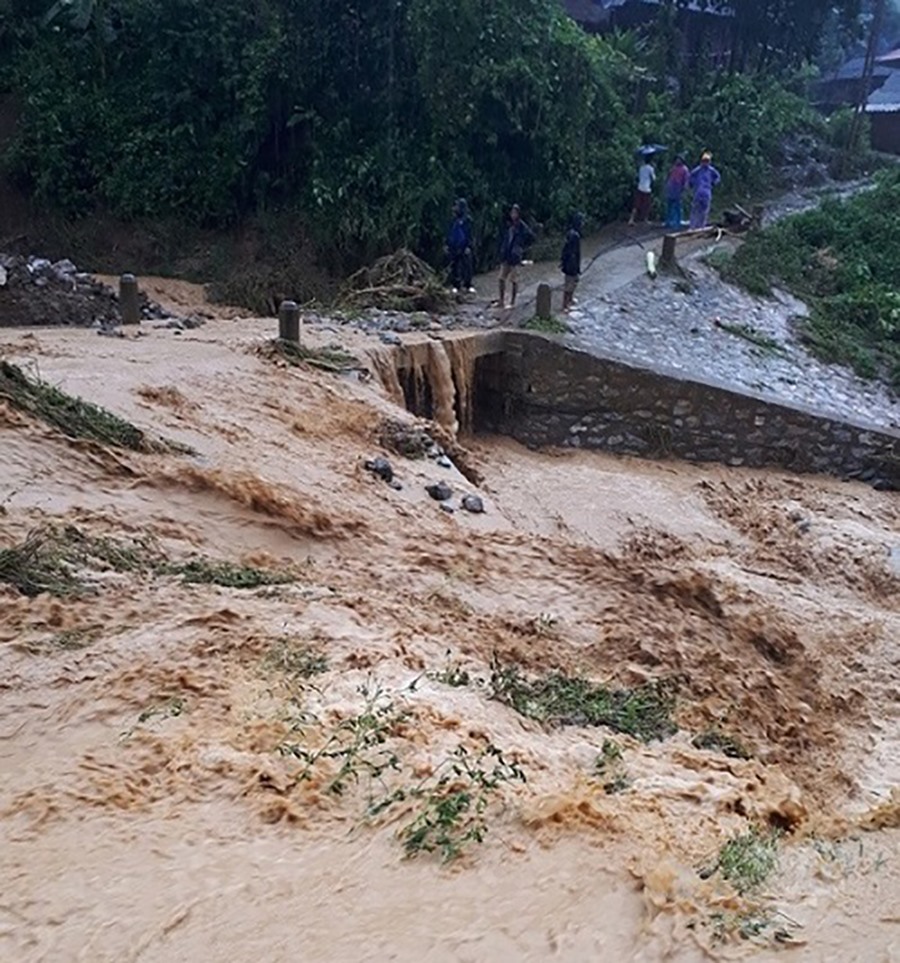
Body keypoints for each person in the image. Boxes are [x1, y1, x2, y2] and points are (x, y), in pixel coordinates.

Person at [498, 204, 534, 308]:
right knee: (501, 278)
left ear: (518, 214)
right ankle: (501, 301)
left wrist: (521, 246)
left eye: (515, 213)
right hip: (506, 255)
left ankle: (512, 302)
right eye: (512, 212)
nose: (513, 215)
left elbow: (531, 237)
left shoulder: (522, 226)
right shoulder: (508, 225)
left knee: (514, 280)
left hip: (515, 256)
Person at [446, 198, 475, 294]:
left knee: (467, 266)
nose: (455, 208)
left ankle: (468, 285)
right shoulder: (453, 219)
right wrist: (447, 244)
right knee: (455, 266)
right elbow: (449, 232)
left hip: (464, 246)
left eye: (457, 206)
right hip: (454, 246)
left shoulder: (467, 220)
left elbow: (470, 234)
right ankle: (456, 285)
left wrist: (469, 246)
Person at [689, 151, 721, 229]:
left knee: (704, 210)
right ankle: (693, 226)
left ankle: (701, 226)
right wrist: (692, 184)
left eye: (707, 161)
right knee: (695, 209)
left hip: (707, 192)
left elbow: (718, 177)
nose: (705, 163)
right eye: (704, 161)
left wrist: (714, 183)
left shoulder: (711, 170)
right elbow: (690, 177)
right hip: (698, 192)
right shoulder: (697, 170)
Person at [560, 212, 583, 312]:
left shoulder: (571, 233)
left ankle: (569, 300)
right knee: (569, 285)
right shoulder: (575, 235)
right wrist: (575, 267)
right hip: (571, 265)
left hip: (569, 264)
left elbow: (565, 250)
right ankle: (565, 305)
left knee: (574, 282)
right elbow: (575, 253)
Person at [628, 155, 656, 226]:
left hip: (640, 187)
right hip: (647, 189)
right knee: (646, 205)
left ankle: (631, 219)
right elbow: (654, 178)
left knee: (636, 204)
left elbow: (639, 176)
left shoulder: (641, 168)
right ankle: (645, 219)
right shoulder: (650, 168)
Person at [664, 155, 689, 230]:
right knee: (669, 205)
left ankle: (677, 223)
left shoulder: (684, 169)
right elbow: (669, 176)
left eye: (679, 159)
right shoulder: (673, 168)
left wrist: (684, 189)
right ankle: (668, 221)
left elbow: (686, 180)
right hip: (671, 188)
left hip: (678, 188)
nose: (677, 161)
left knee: (677, 207)